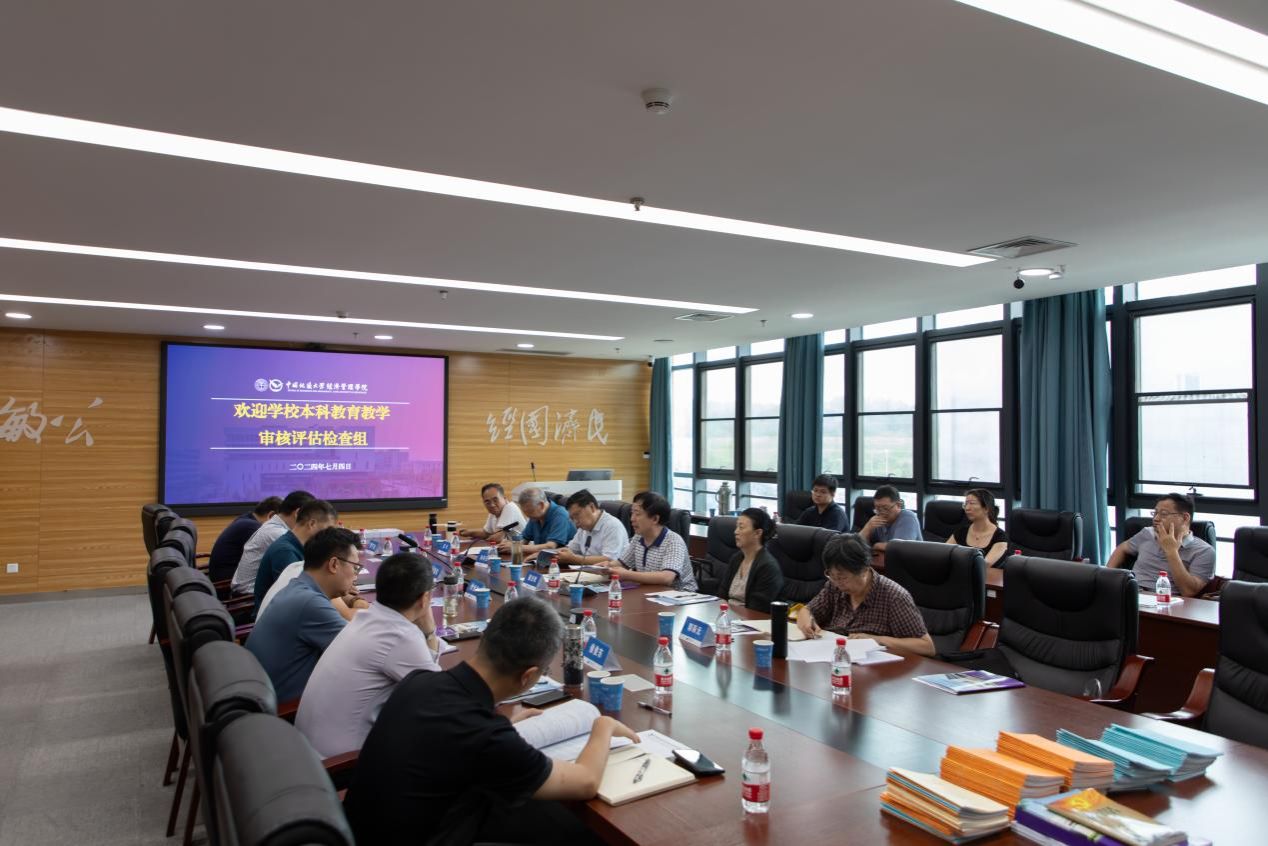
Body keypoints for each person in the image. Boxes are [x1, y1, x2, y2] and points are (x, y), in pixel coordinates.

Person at [343, 597, 638, 845]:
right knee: (577, 832)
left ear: (485, 639)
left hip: (365, 831)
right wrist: (602, 726)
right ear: (528, 676)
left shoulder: (420, 681)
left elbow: (450, 743)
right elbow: (586, 782)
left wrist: (507, 729)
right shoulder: (484, 735)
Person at [296, 552, 443, 758]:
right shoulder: (400, 636)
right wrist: (429, 633)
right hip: (341, 763)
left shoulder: (366, 618)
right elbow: (440, 699)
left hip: (307, 752)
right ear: (425, 598)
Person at [245, 527, 361, 702]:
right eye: (355, 568)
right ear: (334, 564)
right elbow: (361, 649)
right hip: (285, 710)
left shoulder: (298, 586)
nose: (356, 576)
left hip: (263, 693)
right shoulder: (310, 603)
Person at [795, 533, 935, 657]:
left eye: (842, 577)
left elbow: (926, 647)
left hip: (876, 668)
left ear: (864, 570)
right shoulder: (834, 586)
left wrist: (877, 640)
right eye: (831, 575)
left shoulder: (894, 597)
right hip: (833, 657)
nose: (837, 584)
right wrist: (806, 620)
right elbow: (807, 610)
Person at [1107, 493, 1215, 596]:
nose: (1156, 519)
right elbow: (1122, 548)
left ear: (1185, 518)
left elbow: (1188, 591)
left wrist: (1171, 552)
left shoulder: (1204, 551)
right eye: (1155, 513)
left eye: (1163, 514)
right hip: (1132, 593)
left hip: (1167, 600)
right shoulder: (1148, 533)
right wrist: (1107, 578)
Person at [253, 499, 340, 613]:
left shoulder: (302, 545)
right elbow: (302, 594)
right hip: (279, 615)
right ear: (312, 524)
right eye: (328, 530)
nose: (329, 536)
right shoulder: (285, 551)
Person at [604, 491, 697, 591]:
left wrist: (628, 575)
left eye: (637, 514)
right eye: (632, 513)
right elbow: (622, 564)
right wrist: (606, 567)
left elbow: (667, 578)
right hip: (650, 591)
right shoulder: (638, 537)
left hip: (680, 595)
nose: (632, 519)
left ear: (655, 519)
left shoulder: (673, 541)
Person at [231, 490, 314, 595]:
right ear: (298, 513)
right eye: (313, 521)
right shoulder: (277, 533)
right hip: (247, 598)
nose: (312, 527)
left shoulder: (274, 526)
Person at [713, 507, 783, 612]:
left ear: (758, 533)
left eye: (741, 527)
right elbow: (722, 594)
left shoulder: (768, 567)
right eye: (736, 527)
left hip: (751, 619)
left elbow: (757, 609)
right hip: (728, 615)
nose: (736, 532)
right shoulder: (737, 558)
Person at [207, 496, 282, 583]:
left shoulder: (246, 519)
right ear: (272, 516)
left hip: (220, 575)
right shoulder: (252, 527)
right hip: (226, 582)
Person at [557, 489, 629, 566]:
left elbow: (610, 559)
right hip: (587, 571)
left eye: (577, 515)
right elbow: (572, 549)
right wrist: (557, 553)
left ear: (592, 507)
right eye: (572, 518)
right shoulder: (584, 527)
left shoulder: (613, 526)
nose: (575, 522)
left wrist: (573, 559)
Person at [945, 488, 1008, 566]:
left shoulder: (1000, 537)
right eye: (966, 504)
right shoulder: (961, 532)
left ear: (986, 508)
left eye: (972, 503)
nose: (967, 508)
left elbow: (984, 564)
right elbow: (944, 554)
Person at [507, 487, 576, 555]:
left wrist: (516, 547)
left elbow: (550, 547)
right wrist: (509, 545)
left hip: (561, 560)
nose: (528, 516)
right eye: (525, 512)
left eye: (530, 511)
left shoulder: (560, 515)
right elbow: (524, 539)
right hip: (540, 559)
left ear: (541, 505)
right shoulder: (535, 516)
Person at [859, 485, 922, 554]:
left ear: (898, 505)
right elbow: (857, 545)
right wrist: (867, 527)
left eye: (885, 508)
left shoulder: (908, 517)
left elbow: (899, 548)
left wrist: (877, 545)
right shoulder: (878, 520)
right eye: (877, 508)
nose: (881, 512)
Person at [459, 483, 525, 543]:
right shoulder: (493, 512)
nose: (492, 505)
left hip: (522, 549)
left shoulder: (510, 507)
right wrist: (469, 533)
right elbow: (486, 533)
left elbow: (497, 538)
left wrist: (487, 539)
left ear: (504, 498)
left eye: (495, 500)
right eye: (487, 502)